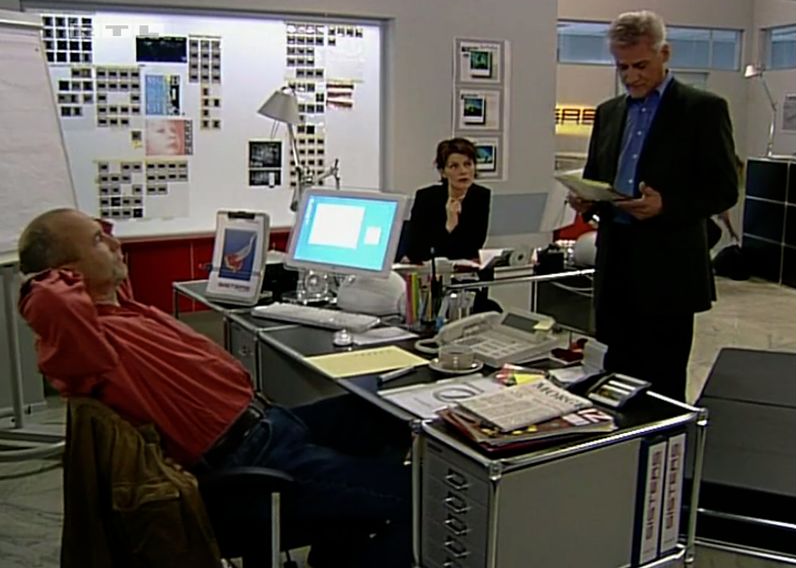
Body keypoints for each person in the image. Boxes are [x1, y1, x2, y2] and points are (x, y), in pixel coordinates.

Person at [17, 208, 412, 568]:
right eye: (98, 240)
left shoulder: (119, 308)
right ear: (66, 274)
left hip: (269, 424)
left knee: (387, 412)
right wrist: (47, 272)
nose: (115, 243)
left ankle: (342, 542)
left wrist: (95, 243)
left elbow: (92, 270)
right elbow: (46, 299)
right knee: (422, 498)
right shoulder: (86, 345)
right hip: (247, 462)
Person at [568, 11, 739, 402]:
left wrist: (667, 206)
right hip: (615, 265)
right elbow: (597, 176)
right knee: (613, 376)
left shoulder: (703, 109)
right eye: (622, 67)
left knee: (661, 380)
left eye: (641, 66)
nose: (631, 77)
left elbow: (724, 190)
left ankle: (663, 440)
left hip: (669, 269)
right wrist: (586, 200)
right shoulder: (608, 113)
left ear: (665, 53)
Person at [403, 137, 491, 263]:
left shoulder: (480, 196)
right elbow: (416, 251)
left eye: (468, 164)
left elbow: (472, 247)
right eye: (454, 166)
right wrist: (449, 226)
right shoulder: (426, 198)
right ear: (443, 172)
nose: (463, 171)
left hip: (465, 270)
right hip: (429, 270)